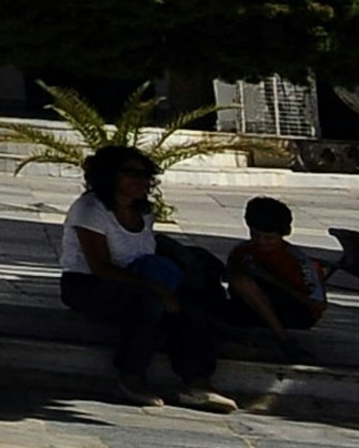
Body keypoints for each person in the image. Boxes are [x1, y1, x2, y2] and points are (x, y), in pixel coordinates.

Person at [60, 148, 231, 407]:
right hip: (88, 284)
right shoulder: (90, 209)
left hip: (139, 278)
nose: (140, 180)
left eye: (145, 175)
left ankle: (197, 382)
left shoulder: (144, 212)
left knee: (190, 308)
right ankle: (131, 377)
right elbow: (101, 267)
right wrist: (157, 290)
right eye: (131, 173)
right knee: (147, 304)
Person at [225, 195, 339, 346]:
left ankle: (283, 338)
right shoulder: (242, 252)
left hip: (296, 313)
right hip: (252, 305)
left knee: (243, 283)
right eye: (255, 235)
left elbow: (318, 305)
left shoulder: (299, 262)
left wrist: (273, 283)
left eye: (269, 238)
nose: (261, 242)